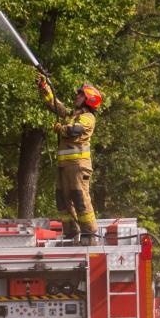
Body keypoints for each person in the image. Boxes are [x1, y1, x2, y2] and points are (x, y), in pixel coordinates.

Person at [37, 74, 103, 243]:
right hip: (65, 166)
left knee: (80, 199)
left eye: (81, 94)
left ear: (88, 100)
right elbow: (55, 106)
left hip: (78, 166)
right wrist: (45, 88)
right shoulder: (73, 115)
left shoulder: (88, 118)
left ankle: (90, 234)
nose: (77, 96)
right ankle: (71, 232)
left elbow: (74, 131)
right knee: (62, 199)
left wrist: (61, 128)